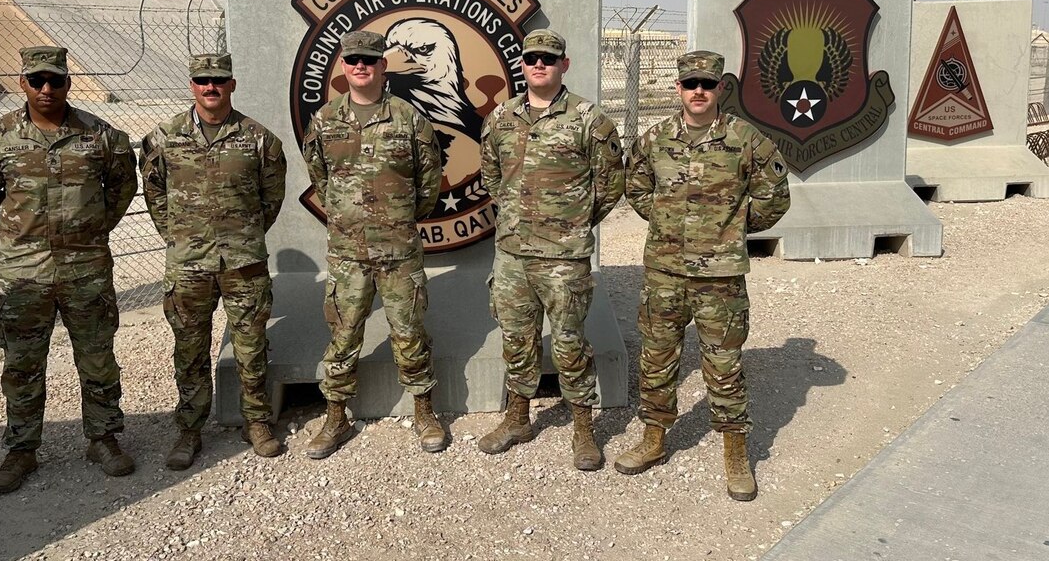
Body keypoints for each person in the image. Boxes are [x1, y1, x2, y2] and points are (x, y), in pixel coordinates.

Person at [614, 49, 790, 501]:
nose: (698, 91)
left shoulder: (746, 139)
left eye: (707, 84)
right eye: (690, 83)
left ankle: (735, 452)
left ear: (720, 89)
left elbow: (774, 196)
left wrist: (731, 228)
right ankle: (654, 439)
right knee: (657, 358)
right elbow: (635, 185)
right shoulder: (656, 139)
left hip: (720, 276)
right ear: (678, 88)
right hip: (664, 272)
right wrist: (664, 220)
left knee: (724, 363)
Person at [0, 46, 138, 494]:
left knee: (97, 357)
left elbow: (122, 186)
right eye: (37, 80)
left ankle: (103, 438)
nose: (46, 89)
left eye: (55, 80)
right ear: (22, 82)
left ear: (67, 82)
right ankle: (22, 449)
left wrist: (92, 229)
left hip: (86, 268)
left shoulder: (100, 136)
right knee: (22, 363)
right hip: (25, 273)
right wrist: (21, 233)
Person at [477, 28, 625, 471]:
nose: (539, 64)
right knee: (516, 339)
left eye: (548, 57)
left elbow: (609, 184)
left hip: (564, 258)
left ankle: (583, 427)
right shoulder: (501, 118)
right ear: (522, 64)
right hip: (512, 256)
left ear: (564, 64)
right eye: (531, 58)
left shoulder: (588, 119)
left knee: (568, 343)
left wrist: (572, 223)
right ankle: (518, 418)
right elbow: (491, 178)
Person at [302, 30, 447, 459]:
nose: (361, 66)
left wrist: (396, 219)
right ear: (343, 67)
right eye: (353, 60)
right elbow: (321, 179)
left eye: (370, 59)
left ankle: (424, 411)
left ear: (383, 66)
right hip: (348, 253)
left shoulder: (409, 119)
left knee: (409, 331)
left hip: (399, 251)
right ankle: (336, 417)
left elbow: (428, 183)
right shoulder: (325, 121)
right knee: (343, 335)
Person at [140, 53, 287, 469]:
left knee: (252, 345)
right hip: (188, 265)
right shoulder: (164, 138)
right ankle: (189, 430)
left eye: (218, 81)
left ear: (232, 85)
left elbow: (270, 199)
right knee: (189, 349)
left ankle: (256, 422)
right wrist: (178, 235)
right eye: (202, 80)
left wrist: (243, 234)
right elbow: (154, 195)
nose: (210, 88)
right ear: (192, 85)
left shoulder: (260, 139)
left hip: (244, 263)